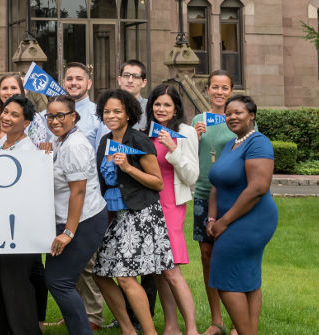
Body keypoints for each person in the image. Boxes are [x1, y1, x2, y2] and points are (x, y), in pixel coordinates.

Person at [92, 89, 174, 335]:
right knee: (101, 273)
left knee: (125, 277)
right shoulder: (106, 141)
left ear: (128, 114)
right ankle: (128, 329)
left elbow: (157, 182)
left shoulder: (138, 141)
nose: (111, 115)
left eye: (117, 111)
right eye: (107, 111)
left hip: (141, 214)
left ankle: (149, 332)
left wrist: (128, 168)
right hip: (115, 217)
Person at [206, 95, 277, 335]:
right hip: (229, 219)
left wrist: (224, 222)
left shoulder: (258, 143)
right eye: (228, 114)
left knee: (223, 277)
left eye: (238, 112)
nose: (232, 117)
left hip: (252, 219)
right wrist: (212, 218)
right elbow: (216, 184)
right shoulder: (231, 145)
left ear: (252, 115)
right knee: (248, 277)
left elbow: (258, 188)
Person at [43, 95, 109, 335]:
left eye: (60, 115)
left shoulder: (75, 145)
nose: (54, 120)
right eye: (50, 115)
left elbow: (78, 191)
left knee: (60, 281)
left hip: (84, 221)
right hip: (69, 220)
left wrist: (68, 233)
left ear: (73, 116)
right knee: (58, 280)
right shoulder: (60, 139)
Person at [0, 77, 51, 329]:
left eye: (14, 115)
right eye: (5, 112)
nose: (6, 117)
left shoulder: (30, 153)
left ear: (26, 123)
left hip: (20, 229)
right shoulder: (3, 143)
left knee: (14, 284)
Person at [145, 85, 201, 335]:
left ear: (176, 107)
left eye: (167, 105)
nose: (161, 109)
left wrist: (174, 150)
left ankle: (191, 329)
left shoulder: (185, 133)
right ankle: (171, 326)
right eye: (157, 104)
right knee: (158, 269)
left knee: (171, 269)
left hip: (171, 204)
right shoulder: (145, 133)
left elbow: (192, 177)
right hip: (147, 204)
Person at [191, 70, 240, 335]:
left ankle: (237, 322)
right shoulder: (199, 119)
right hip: (202, 193)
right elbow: (190, 155)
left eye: (224, 88)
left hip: (230, 197)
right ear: (207, 90)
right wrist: (194, 137)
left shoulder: (239, 119)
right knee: (207, 256)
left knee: (231, 257)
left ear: (231, 91)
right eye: (214, 87)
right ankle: (216, 320)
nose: (219, 92)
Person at [0, 74, 51, 148]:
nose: (9, 92)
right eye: (4, 88)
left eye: (14, 88)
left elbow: (39, 148)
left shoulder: (34, 119)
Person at [117, 59, 149, 131]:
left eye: (136, 76)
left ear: (144, 82)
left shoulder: (150, 108)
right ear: (119, 80)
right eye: (126, 75)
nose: (130, 80)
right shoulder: (109, 108)